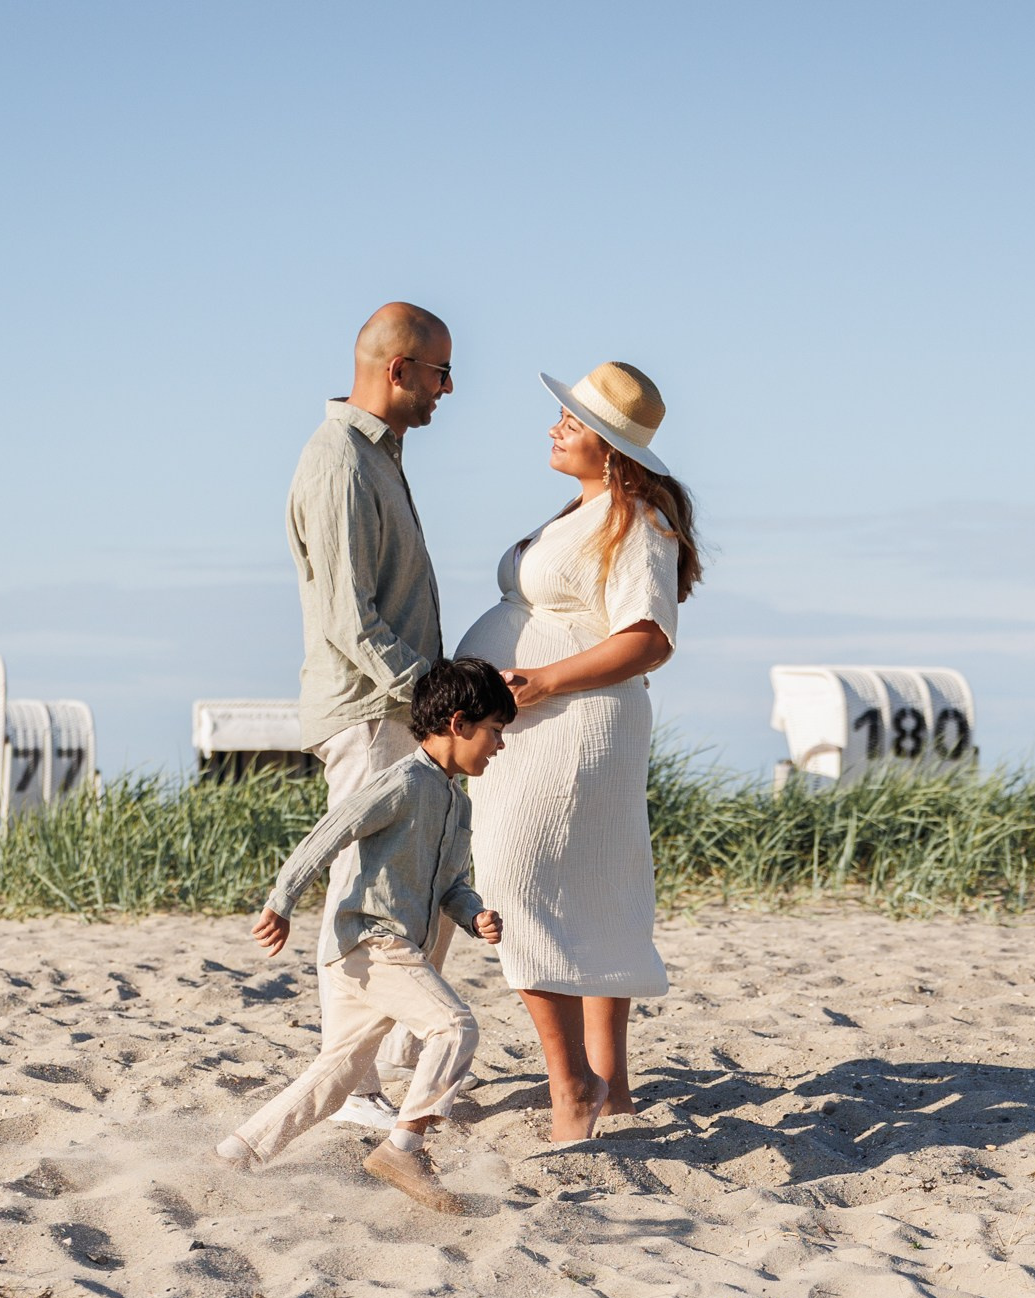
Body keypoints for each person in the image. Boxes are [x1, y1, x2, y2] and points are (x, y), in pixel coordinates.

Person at [456, 363, 705, 1144]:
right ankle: (615, 1091)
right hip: (539, 723)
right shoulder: (587, 510)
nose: (557, 426)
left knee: (514, 882)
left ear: (612, 447)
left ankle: (574, 1089)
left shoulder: (637, 520)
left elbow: (649, 638)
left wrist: (541, 682)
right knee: (590, 892)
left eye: (573, 419)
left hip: (573, 725)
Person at [214, 659, 516, 1213]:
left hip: (378, 954)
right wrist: (281, 902)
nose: (500, 745)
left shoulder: (457, 802)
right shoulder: (402, 781)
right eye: (496, 730)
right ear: (458, 722)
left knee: (337, 1075)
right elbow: (330, 832)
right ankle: (404, 1147)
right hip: (373, 941)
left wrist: (474, 915)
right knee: (453, 1027)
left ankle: (237, 1153)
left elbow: (452, 883)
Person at [285, 301, 456, 1135]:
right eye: (439, 373)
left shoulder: (376, 457)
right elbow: (350, 622)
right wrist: (438, 697)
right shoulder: (340, 462)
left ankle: (371, 1074)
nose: (448, 391)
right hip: (371, 712)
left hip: (391, 711)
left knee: (397, 893)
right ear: (399, 371)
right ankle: (350, 1085)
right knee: (359, 896)